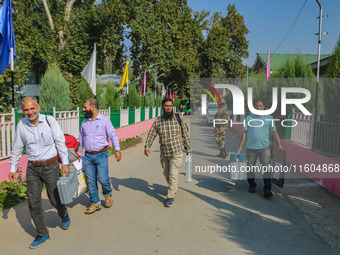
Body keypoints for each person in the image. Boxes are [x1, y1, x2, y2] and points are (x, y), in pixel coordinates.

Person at [9, 97, 71, 249]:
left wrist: (65, 163)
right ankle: (42, 233)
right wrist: (12, 168)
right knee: (33, 202)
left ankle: (63, 213)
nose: (30, 112)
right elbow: (17, 148)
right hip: (33, 169)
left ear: (38, 107)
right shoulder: (21, 125)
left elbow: (60, 141)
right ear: (22, 111)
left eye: (32, 108)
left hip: (51, 166)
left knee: (54, 198)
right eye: (26, 110)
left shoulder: (49, 121)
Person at [144, 98, 191, 207]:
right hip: (164, 153)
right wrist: (147, 146)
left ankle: (170, 197)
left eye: (170, 106)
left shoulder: (178, 118)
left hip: (177, 152)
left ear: (172, 107)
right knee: (166, 173)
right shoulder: (158, 121)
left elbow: (184, 133)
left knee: (173, 174)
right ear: (162, 107)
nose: (168, 108)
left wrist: (188, 147)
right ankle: (173, 188)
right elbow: (151, 134)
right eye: (166, 106)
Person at [79, 98, 121, 214]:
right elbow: (81, 139)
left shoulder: (104, 121)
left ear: (92, 107)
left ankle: (107, 194)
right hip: (88, 156)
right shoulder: (84, 123)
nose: (83, 109)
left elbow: (113, 135)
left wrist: (117, 149)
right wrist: (78, 154)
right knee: (91, 181)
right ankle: (95, 203)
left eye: (85, 107)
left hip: (101, 155)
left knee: (103, 179)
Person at [237, 99, 283, 197]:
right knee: (250, 168)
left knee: (266, 168)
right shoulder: (249, 118)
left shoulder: (269, 118)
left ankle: (267, 189)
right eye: (256, 106)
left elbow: (274, 132)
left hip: (265, 148)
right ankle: (252, 185)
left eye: (260, 106)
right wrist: (240, 145)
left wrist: (279, 144)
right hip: (251, 148)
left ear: (263, 107)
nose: (258, 107)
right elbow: (244, 133)